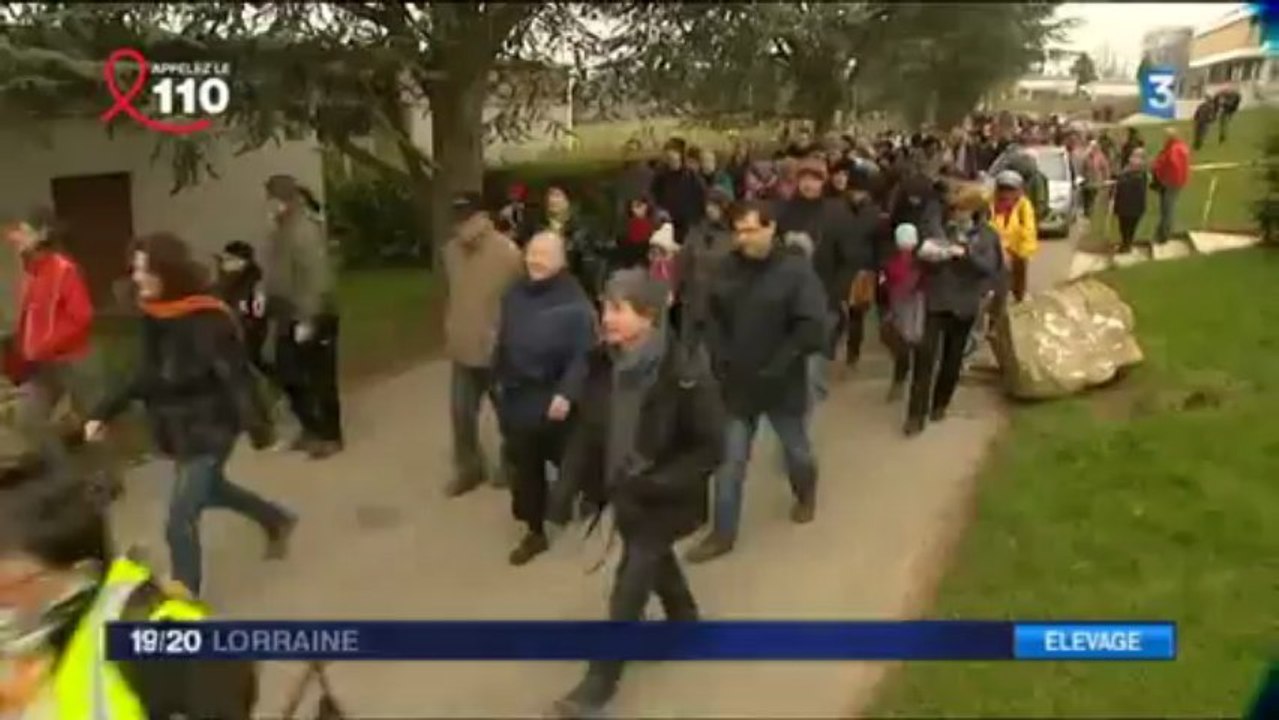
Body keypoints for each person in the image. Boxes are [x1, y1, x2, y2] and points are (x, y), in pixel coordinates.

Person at [549, 269, 725, 719]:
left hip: (666, 499)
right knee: (653, 559)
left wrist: (656, 482)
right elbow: (587, 433)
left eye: (617, 309)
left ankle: (597, 687)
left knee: (629, 585)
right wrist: (564, 491)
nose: (605, 317)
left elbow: (711, 449)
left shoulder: (685, 374)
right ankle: (685, 620)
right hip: (623, 493)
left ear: (648, 317)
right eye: (604, 307)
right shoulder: (601, 364)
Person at [84, 232, 295, 596]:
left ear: (167, 272)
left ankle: (185, 602)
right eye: (135, 269)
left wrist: (260, 428)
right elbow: (144, 374)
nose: (136, 277)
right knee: (211, 491)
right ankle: (275, 519)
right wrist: (103, 412)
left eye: (143, 270)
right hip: (178, 428)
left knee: (179, 520)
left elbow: (237, 378)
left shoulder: (207, 319)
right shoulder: (155, 314)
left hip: (211, 430)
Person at [0, 431, 258, 719]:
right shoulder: (31, 628)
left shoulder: (134, 627)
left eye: (9, 582)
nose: (3, 598)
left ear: (74, 574)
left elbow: (226, 663)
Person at [685, 200, 828, 564]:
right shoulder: (725, 270)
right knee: (730, 463)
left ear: (770, 228)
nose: (743, 238)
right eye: (739, 231)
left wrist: (779, 365)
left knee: (796, 451)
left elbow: (811, 327)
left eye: (750, 230)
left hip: (782, 383)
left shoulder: (795, 272)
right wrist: (720, 358)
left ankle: (805, 492)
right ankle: (722, 533)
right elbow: (710, 319)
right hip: (737, 385)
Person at [492, 231, 596, 565]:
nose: (535, 261)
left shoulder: (575, 301)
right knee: (525, 468)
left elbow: (585, 354)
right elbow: (504, 337)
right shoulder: (514, 294)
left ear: (561, 261)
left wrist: (567, 393)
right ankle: (535, 530)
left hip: (555, 398)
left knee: (572, 460)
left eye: (545, 255)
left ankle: (590, 494)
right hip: (518, 397)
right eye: (532, 253)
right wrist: (497, 375)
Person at [1, 208, 97, 478]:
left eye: (24, 231)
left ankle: (99, 476)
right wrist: (23, 348)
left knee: (91, 424)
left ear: (42, 233)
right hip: (44, 364)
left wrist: (46, 343)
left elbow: (81, 316)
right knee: (28, 417)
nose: (16, 237)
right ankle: (64, 475)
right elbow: (31, 316)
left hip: (71, 360)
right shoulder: (32, 271)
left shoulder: (63, 269)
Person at [442, 192, 524, 497]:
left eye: (467, 217)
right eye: (457, 219)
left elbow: (522, 297)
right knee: (461, 414)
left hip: (498, 350)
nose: (461, 226)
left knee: (510, 415)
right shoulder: (450, 252)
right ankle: (469, 468)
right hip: (463, 345)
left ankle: (513, 465)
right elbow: (453, 293)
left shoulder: (508, 253)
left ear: (482, 217)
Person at [905, 184, 1001, 437]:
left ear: (975, 210)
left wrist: (966, 254)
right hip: (936, 300)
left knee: (952, 358)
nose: (958, 213)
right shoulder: (941, 229)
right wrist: (930, 255)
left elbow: (990, 267)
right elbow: (919, 257)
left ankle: (940, 403)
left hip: (964, 305)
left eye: (963, 209)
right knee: (924, 358)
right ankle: (915, 415)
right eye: (955, 208)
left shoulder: (987, 235)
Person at [262, 174, 343, 459]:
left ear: (286, 200)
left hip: (314, 313)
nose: (268, 206)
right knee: (288, 373)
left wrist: (309, 319)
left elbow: (317, 277)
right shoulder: (280, 231)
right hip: (287, 312)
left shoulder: (304, 231)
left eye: (272, 199)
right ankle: (310, 427)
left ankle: (330, 435)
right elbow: (277, 270)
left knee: (319, 377)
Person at [674, 188, 735, 352]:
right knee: (688, 346)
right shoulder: (696, 231)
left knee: (716, 349)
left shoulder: (733, 235)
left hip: (720, 304)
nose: (710, 209)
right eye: (709, 204)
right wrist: (674, 289)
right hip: (693, 298)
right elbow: (682, 261)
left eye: (715, 205)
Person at [523, 184, 608, 298]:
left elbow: (589, 261)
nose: (552, 200)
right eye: (550, 195)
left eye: (557, 195)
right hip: (542, 286)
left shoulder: (582, 228)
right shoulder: (538, 227)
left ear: (569, 200)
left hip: (572, 286)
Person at [881, 223, 924, 401]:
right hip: (917, 309)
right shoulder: (921, 263)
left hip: (898, 308)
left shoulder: (890, 263)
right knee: (917, 347)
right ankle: (916, 385)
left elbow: (884, 287)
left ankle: (899, 381)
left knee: (901, 348)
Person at [214, 241, 269, 374]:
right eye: (224, 259)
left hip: (243, 341)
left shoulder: (254, 285)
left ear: (242, 263)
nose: (224, 263)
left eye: (229, 259)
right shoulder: (225, 282)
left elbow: (256, 316)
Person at [987, 170, 1038, 304]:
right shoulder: (990, 204)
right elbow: (987, 226)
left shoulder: (1024, 206)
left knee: (1019, 271)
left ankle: (1019, 295)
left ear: (1019, 191)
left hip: (1016, 248)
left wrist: (1023, 253)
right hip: (995, 247)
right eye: (1003, 189)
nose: (1006, 193)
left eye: (1010, 189)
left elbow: (1029, 231)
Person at [650, 138, 706, 243]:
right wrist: (659, 210)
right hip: (666, 227)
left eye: (673, 155)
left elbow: (700, 203)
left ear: (680, 155)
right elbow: (653, 197)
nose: (670, 159)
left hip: (687, 228)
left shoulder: (693, 178)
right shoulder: (660, 176)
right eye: (668, 156)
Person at [1151, 127, 1190, 245]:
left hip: (1170, 182)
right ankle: (1161, 232)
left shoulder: (1173, 150)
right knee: (1168, 208)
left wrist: (1158, 170)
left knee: (1167, 209)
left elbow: (1169, 164)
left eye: (1165, 136)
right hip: (1177, 182)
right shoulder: (1182, 147)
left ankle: (1163, 235)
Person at [1112, 148, 1149, 254]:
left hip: (1129, 208)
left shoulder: (1137, 176)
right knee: (1126, 228)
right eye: (1133, 156)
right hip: (1130, 207)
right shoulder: (1133, 173)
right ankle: (1126, 244)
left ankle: (1126, 245)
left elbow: (1123, 186)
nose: (1132, 159)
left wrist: (1118, 180)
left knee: (1127, 228)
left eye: (1135, 157)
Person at [618, 195, 659, 270]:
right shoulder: (632, 223)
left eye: (640, 205)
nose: (639, 209)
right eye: (634, 207)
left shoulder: (650, 222)